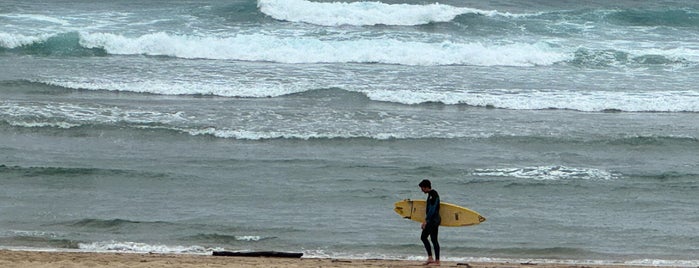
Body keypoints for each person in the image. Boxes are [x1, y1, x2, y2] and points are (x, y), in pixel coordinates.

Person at [419, 179, 440, 265]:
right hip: (433, 220)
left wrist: (426, 221)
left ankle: (436, 260)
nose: (421, 190)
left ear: (426, 187)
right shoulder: (431, 194)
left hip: (433, 220)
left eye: (422, 188)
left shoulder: (433, 194)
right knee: (425, 237)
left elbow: (432, 209)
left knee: (432, 239)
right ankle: (431, 258)